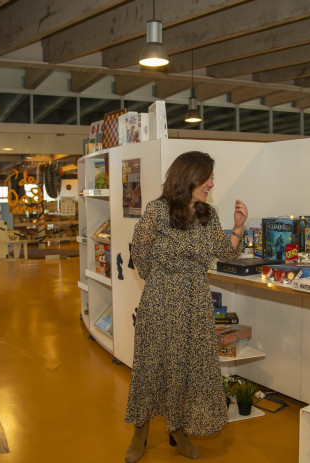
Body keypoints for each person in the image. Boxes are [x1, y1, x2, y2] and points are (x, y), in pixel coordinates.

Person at [124, 151, 248, 462]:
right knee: (152, 366)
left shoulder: (209, 214)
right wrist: (163, 281)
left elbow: (225, 253)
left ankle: (178, 430)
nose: (211, 182)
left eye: (211, 178)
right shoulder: (156, 211)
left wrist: (238, 228)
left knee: (189, 369)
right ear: (188, 177)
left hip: (196, 301)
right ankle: (140, 430)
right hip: (160, 298)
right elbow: (139, 252)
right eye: (207, 177)